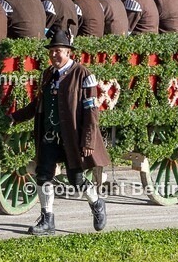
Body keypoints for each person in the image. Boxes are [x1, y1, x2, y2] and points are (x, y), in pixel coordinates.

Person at [9, 29, 110, 236]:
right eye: (51, 51)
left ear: (68, 52)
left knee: (76, 180)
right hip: (49, 135)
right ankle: (47, 220)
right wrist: (14, 117)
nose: (54, 55)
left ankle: (97, 203)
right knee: (43, 174)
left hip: (73, 138)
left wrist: (88, 141)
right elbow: (37, 104)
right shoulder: (47, 74)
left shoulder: (83, 75)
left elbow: (91, 111)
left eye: (58, 51)